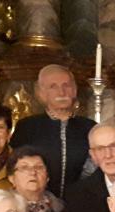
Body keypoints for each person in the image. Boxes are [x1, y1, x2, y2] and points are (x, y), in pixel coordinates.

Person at [10, 64, 97, 199]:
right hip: (36, 206)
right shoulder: (27, 127)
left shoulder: (90, 128)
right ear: (41, 93)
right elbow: (15, 169)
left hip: (82, 204)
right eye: (53, 87)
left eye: (66, 86)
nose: (61, 92)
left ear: (74, 90)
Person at [6, 147, 64, 212]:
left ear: (47, 177)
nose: (33, 173)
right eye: (24, 168)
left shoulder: (62, 207)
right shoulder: (0, 210)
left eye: (39, 167)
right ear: (11, 178)